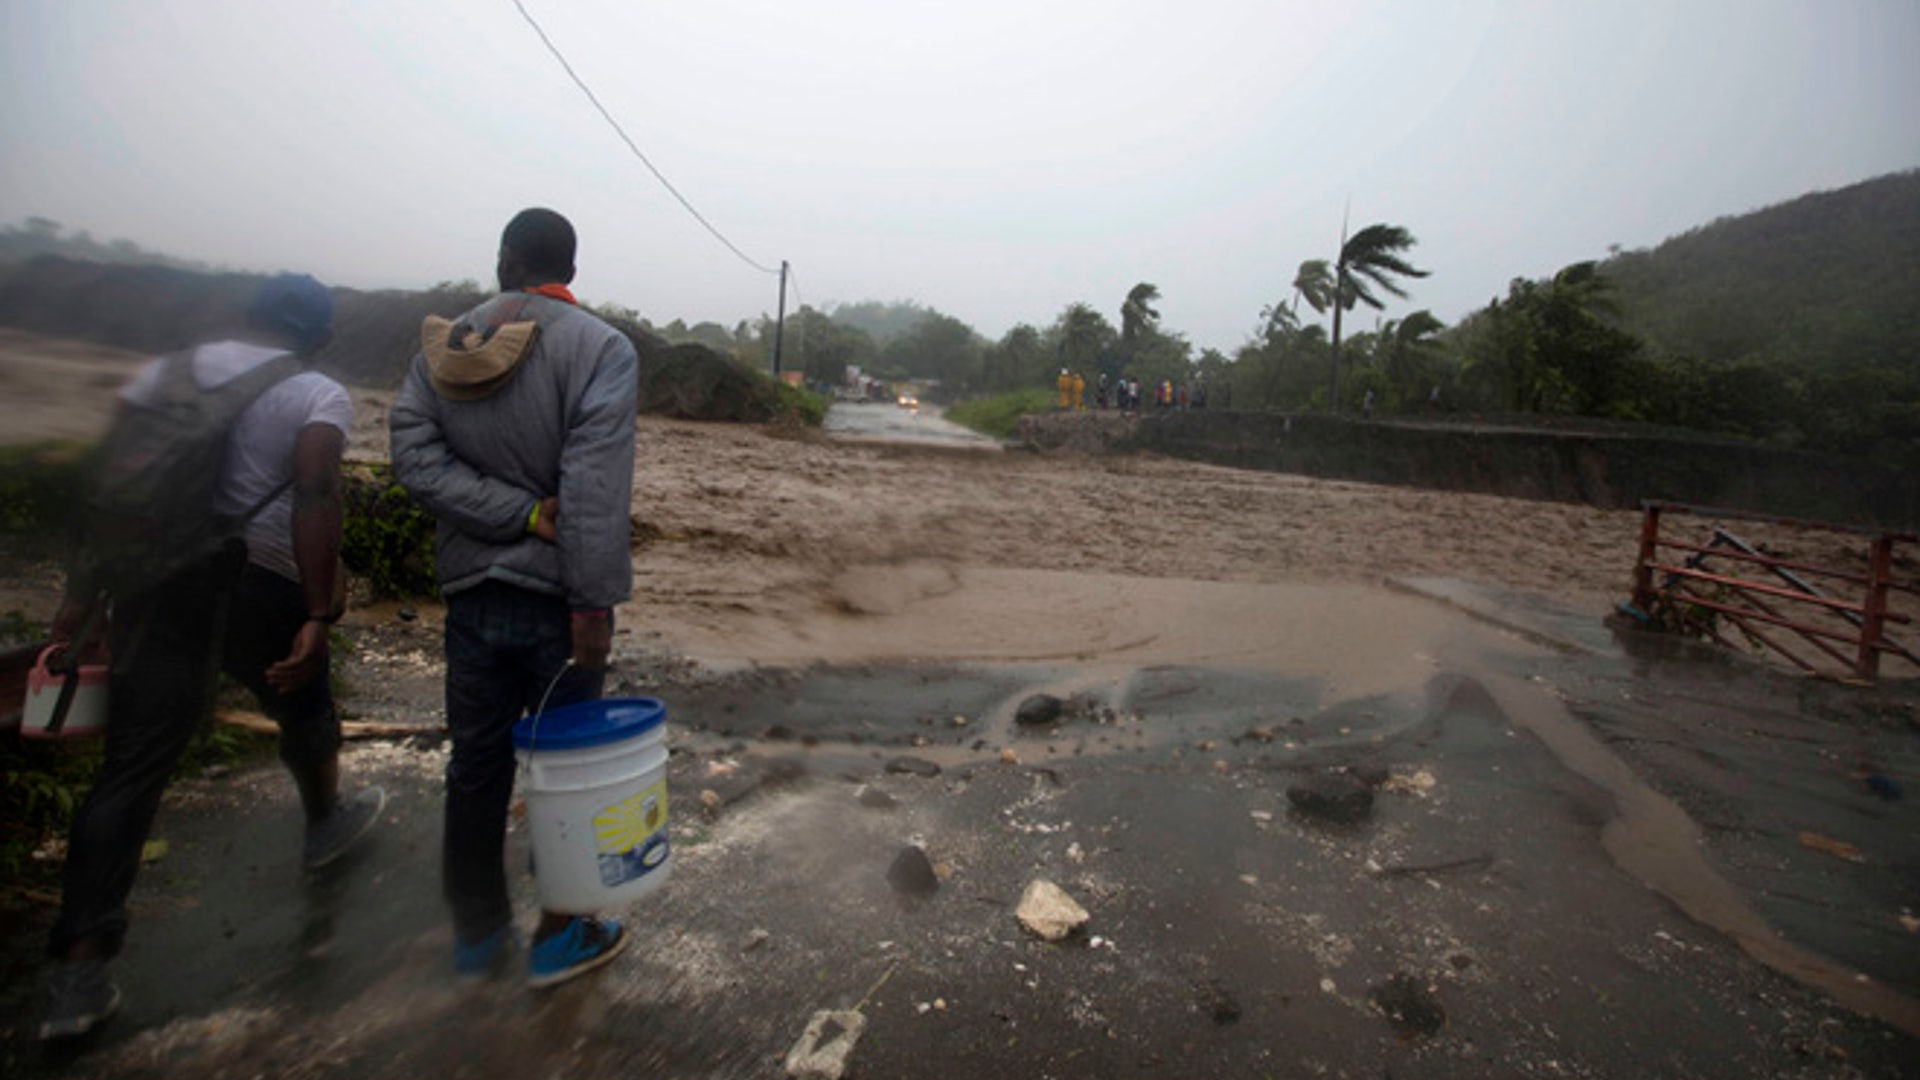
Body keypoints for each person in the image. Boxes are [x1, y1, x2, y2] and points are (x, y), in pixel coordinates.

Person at [40, 274, 384, 1040]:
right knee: (303, 700)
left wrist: (81, 599)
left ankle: (78, 976)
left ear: (249, 316)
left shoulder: (166, 371)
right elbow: (315, 495)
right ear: (318, 337)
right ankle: (326, 824)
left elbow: (110, 490)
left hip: (153, 588)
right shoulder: (315, 393)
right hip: (254, 583)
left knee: (129, 770)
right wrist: (320, 612)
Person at [390, 208, 639, 988]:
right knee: (568, 773)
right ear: (569, 265)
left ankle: (476, 937)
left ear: (504, 259)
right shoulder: (602, 348)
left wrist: (503, 513)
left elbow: (412, 455)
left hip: (469, 593)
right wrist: (592, 602)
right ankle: (559, 936)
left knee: (475, 766)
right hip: (558, 602)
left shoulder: (445, 343)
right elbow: (593, 486)